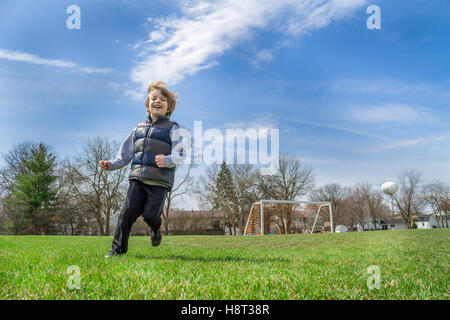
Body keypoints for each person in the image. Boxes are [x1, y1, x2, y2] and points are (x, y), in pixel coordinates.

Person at [100, 80, 185, 258]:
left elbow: (180, 154)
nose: (157, 101)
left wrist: (168, 159)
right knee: (126, 215)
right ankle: (117, 250)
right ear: (148, 104)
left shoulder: (173, 128)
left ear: (168, 107)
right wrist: (111, 165)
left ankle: (156, 229)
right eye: (154, 98)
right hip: (137, 179)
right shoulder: (138, 128)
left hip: (159, 181)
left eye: (163, 99)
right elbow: (124, 155)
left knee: (150, 214)